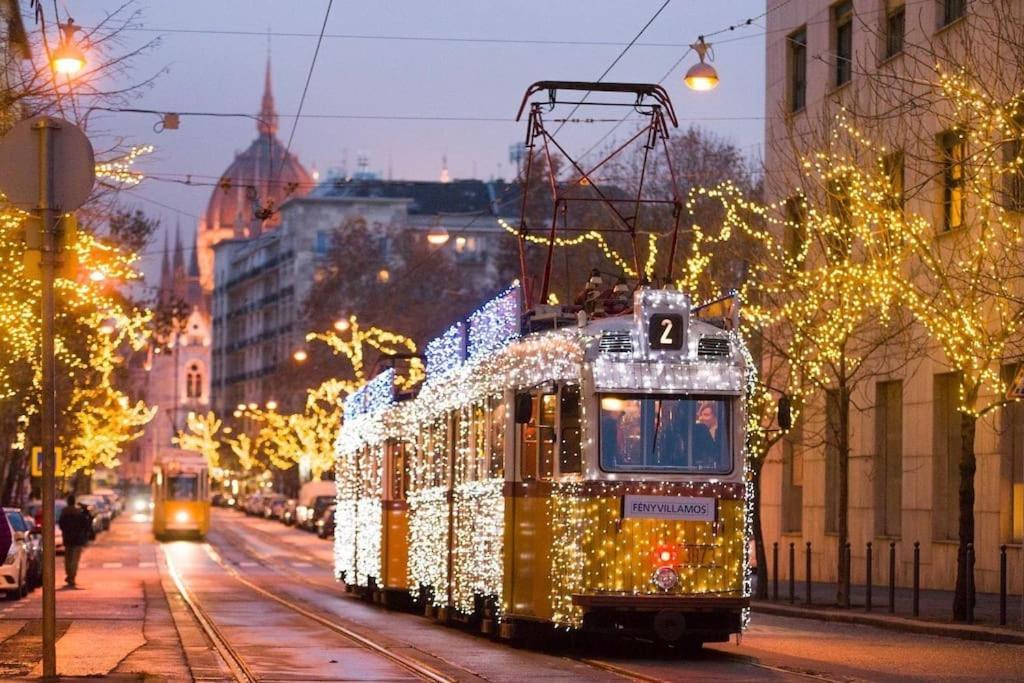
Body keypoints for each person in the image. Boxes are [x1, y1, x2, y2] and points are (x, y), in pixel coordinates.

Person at [58, 494, 91, 587]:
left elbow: (61, 525)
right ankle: (71, 577)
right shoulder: (79, 513)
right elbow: (86, 524)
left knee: (68, 559)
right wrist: (85, 510)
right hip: (77, 539)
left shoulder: (64, 512)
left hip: (67, 539)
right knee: (74, 560)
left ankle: (69, 575)